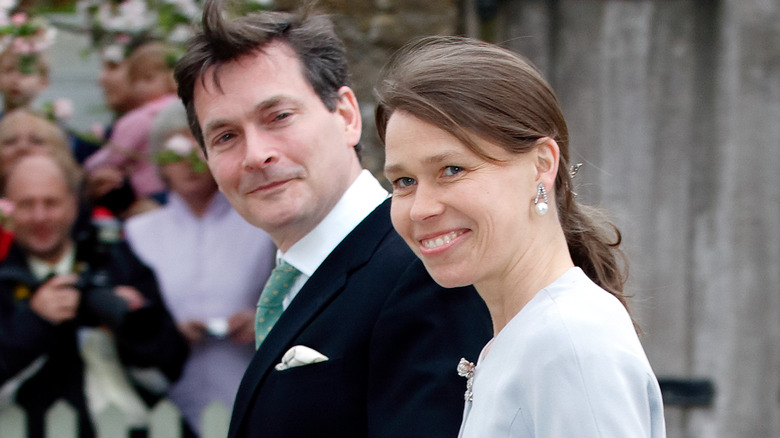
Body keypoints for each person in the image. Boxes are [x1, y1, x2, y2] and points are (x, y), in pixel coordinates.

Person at [174, 1, 492, 437]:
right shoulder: (294, 277)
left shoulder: (423, 269)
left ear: (345, 116)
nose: (255, 155)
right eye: (226, 136)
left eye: (279, 116)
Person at [376, 35, 666, 437]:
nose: (421, 207)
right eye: (404, 180)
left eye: (452, 169)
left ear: (541, 164)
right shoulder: (522, 336)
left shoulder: (570, 343)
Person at [0, 152, 189, 438]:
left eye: (51, 203)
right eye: (27, 205)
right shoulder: (4, 279)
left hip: (139, 426)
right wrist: (35, 321)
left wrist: (133, 322)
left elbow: (173, 360)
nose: (40, 216)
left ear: (74, 204)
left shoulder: (116, 261)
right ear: (9, 211)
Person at [124, 99, 276, 434]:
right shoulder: (138, 233)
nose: (188, 163)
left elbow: (292, 293)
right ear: (159, 163)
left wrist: (263, 321)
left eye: (198, 150)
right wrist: (168, 334)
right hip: (167, 402)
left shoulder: (260, 224)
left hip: (247, 387)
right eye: (175, 152)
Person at [84, 41, 178, 218]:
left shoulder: (140, 118)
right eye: (136, 80)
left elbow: (115, 155)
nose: (140, 87)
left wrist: (89, 168)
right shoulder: (188, 110)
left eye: (148, 79)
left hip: (148, 195)